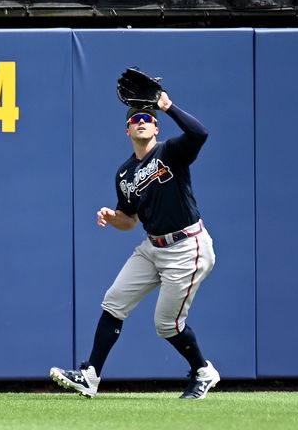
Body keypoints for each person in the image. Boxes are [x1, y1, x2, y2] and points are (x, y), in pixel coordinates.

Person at [50, 91, 219, 399]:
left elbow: (201, 133)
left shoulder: (172, 152)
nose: (141, 122)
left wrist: (167, 106)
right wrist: (111, 216)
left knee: (166, 325)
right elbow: (130, 220)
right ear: (127, 130)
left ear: (156, 128)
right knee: (113, 301)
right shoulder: (125, 174)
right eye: (135, 120)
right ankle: (91, 376)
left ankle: (204, 371)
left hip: (187, 246)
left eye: (147, 119)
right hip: (152, 247)